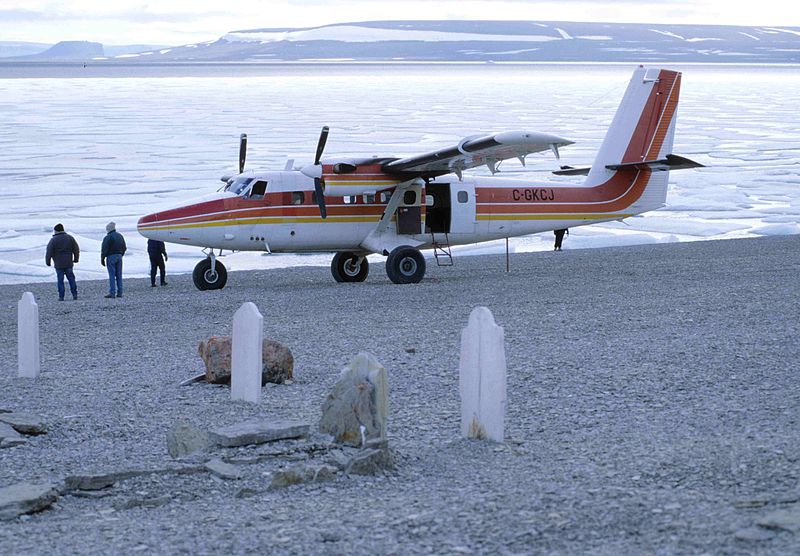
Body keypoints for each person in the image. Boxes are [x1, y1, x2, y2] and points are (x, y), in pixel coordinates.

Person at [45, 223, 80, 300]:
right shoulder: (70, 238)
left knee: (60, 280)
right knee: (71, 279)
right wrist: (76, 258)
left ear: (56, 231)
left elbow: (49, 251)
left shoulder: (53, 240)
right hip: (68, 262)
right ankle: (74, 294)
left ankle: (61, 296)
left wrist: (48, 261)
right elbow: (76, 249)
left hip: (58, 264)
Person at [101, 221, 126, 298]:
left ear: (108, 229)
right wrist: (121, 254)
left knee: (112, 275)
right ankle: (120, 292)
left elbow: (104, 249)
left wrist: (102, 258)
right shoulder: (120, 236)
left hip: (111, 257)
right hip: (119, 256)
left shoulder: (108, 237)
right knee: (119, 275)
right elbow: (124, 247)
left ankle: (112, 293)